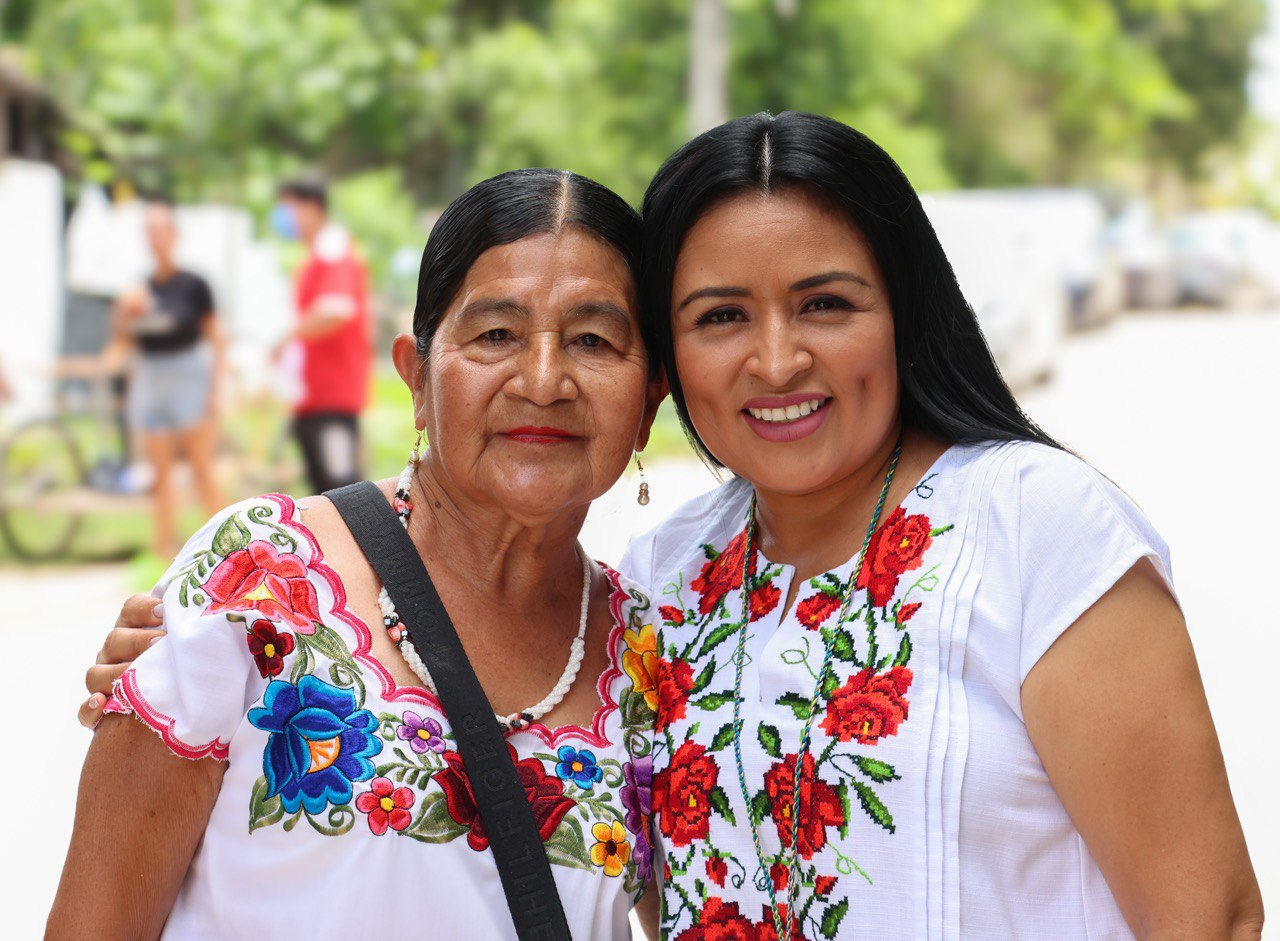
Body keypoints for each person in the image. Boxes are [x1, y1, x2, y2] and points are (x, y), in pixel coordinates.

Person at [82, 114, 1264, 940]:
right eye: (717, 315)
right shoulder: (668, 581)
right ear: (671, 366)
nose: (775, 358)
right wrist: (186, 648)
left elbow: (1203, 915)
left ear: (905, 313)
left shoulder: (1035, 526)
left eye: (825, 303)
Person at [50, 168, 666, 939]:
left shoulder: (656, 661)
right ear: (415, 374)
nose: (544, 380)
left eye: (593, 339)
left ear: (649, 403)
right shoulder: (259, 573)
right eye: (496, 334)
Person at [106, 200, 225, 557]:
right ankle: (163, 554)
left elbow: (215, 338)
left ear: (174, 235)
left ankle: (231, 549)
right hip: (153, 378)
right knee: (160, 477)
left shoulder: (194, 285)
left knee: (202, 470)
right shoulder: (137, 290)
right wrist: (123, 313)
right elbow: (123, 343)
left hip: (190, 376)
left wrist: (215, 390)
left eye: (161, 230)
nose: (155, 238)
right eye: (150, 231)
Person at [271, 179, 372, 493]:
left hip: (333, 398)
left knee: (340, 488)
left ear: (312, 208)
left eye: (289, 207)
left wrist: (287, 338)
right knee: (324, 488)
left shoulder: (333, 250)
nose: (284, 217)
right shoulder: (316, 255)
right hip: (315, 397)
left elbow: (337, 309)